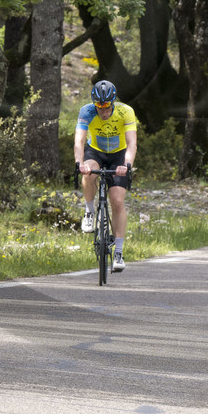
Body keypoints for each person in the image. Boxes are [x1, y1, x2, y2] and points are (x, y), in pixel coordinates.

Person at [75, 79, 136, 272]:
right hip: (96, 152)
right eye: (99, 107)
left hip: (119, 155)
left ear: (112, 103)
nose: (103, 111)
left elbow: (131, 143)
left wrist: (127, 165)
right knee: (88, 172)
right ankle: (89, 211)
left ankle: (118, 252)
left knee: (117, 201)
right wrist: (80, 163)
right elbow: (79, 141)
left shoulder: (125, 111)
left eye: (106, 107)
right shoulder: (87, 111)